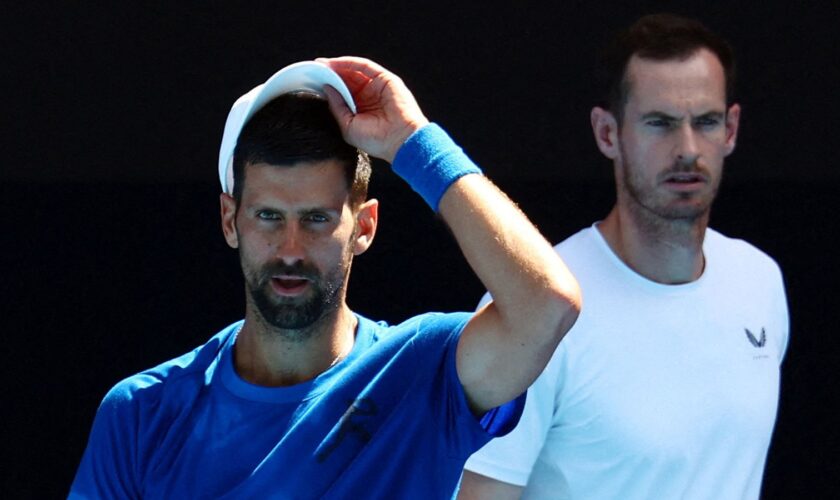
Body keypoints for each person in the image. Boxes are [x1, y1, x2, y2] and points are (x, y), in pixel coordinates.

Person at [69, 57, 581, 499]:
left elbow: (547, 304)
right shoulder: (141, 412)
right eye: (269, 216)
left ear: (364, 227)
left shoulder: (421, 369)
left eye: (317, 219)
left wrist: (413, 142)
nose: (290, 250)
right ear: (231, 221)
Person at [460, 13, 788, 500]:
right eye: (660, 124)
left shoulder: (760, 282)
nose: (688, 149)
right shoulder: (537, 309)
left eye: (706, 122)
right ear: (607, 133)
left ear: (732, 128)